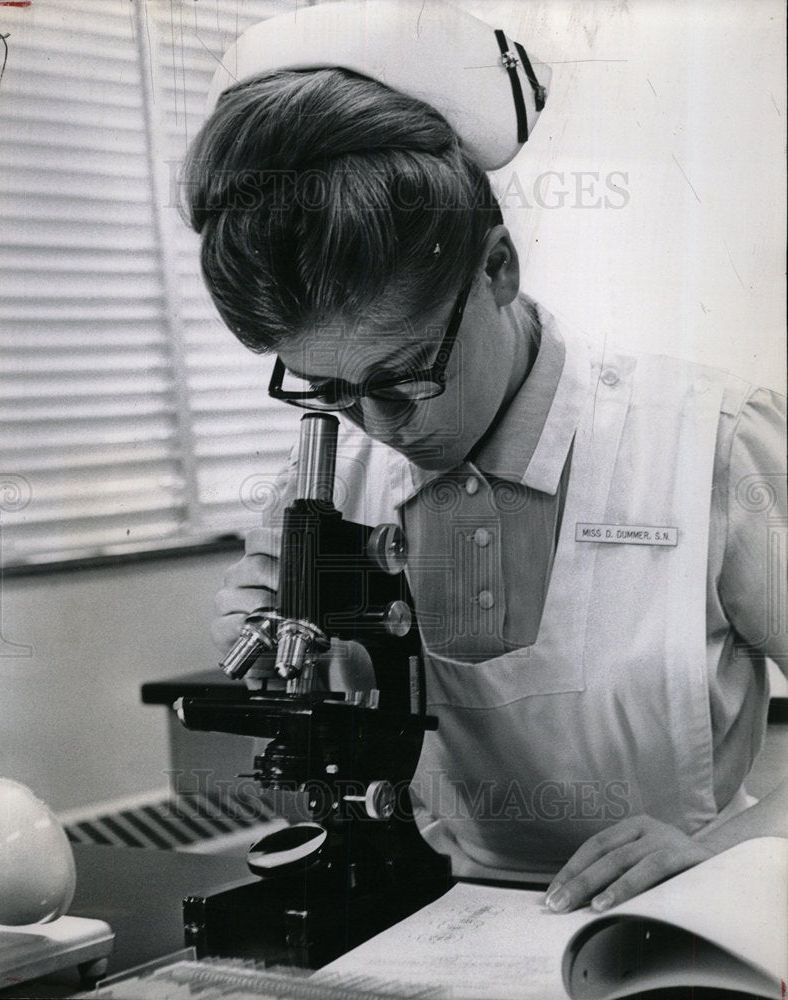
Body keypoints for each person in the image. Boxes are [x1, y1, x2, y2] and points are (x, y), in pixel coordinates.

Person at [182, 1, 787, 914]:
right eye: (326, 388)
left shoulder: (710, 439)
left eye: (403, 375)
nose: (375, 425)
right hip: (439, 918)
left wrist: (728, 853)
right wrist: (274, 635)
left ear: (497, 268)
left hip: (682, 920)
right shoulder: (339, 471)